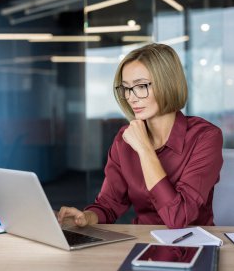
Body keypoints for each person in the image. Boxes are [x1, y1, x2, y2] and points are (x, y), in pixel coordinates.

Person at [57, 43, 223, 228]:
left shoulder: (205, 137)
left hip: (194, 244)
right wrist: (87, 217)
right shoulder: (125, 138)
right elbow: (108, 204)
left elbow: (179, 218)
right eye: (127, 88)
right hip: (143, 241)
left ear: (167, 83)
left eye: (141, 86)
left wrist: (144, 149)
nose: (131, 97)